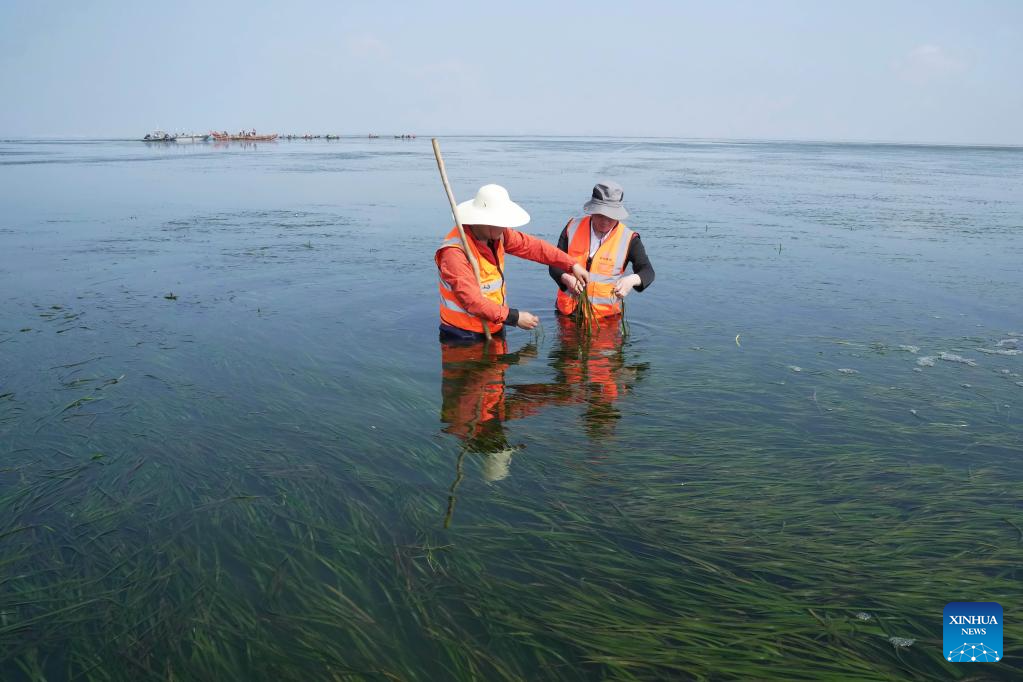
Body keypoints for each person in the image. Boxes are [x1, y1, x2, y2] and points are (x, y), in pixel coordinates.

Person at [436, 184, 589, 342]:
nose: (504, 227)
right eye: (499, 221)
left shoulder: (499, 234)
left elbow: (533, 247)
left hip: (495, 325)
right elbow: (472, 301)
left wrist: (572, 264)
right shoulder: (454, 252)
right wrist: (515, 317)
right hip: (462, 336)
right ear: (481, 220)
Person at [549, 180, 654, 318]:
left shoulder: (629, 239)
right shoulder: (572, 227)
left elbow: (647, 271)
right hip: (567, 314)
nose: (605, 221)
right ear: (592, 210)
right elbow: (554, 263)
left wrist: (631, 280)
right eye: (600, 215)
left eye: (611, 216)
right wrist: (566, 278)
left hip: (605, 319)